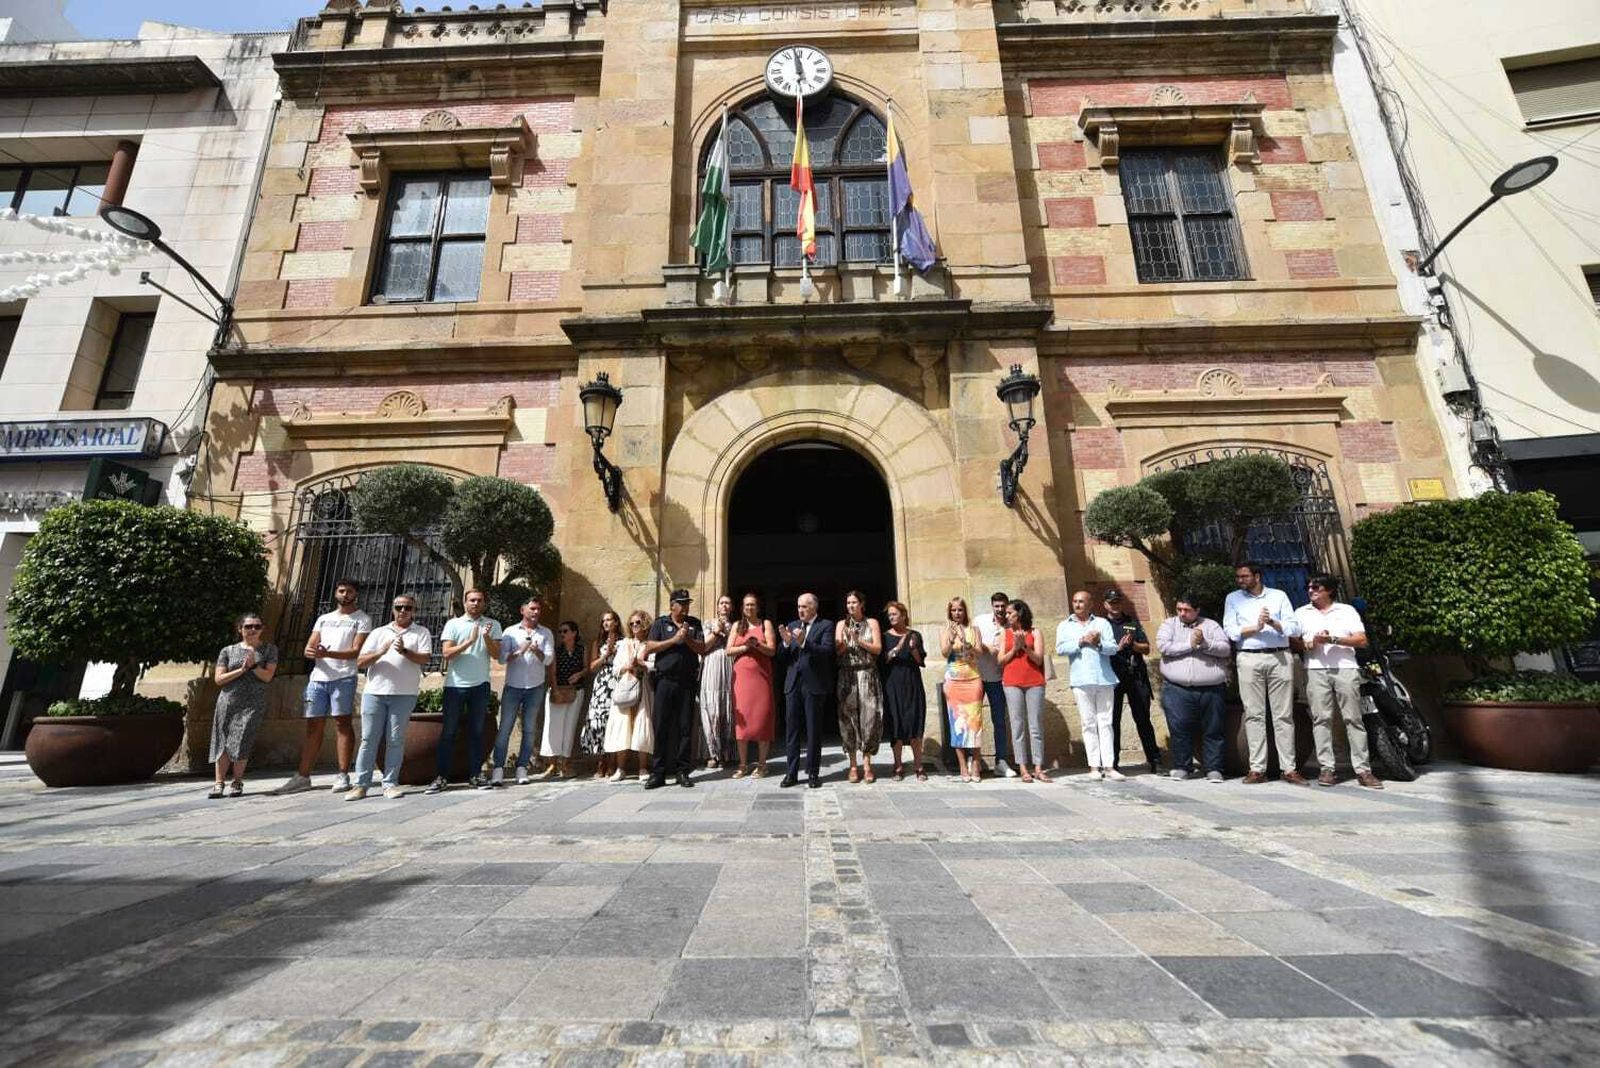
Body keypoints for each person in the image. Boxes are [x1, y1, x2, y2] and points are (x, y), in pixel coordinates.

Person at [278, 578, 369, 795]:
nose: (345, 595)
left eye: (349, 591)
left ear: (356, 594)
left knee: (342, 723)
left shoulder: (362, 619)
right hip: (318, 678)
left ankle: (343, 773)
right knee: (313, 726)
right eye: (341, 590)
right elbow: (310, 645)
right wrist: (311, 652)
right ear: (335, 593)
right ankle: (303, 775)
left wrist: (328, 654)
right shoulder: (324, 619)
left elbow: (356, 651)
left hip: (344, 677)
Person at [1294, 574, 1382, 790]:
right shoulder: (1301, 613)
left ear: (1330, 591)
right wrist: (1309, 643)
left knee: (1353, 717)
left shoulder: (1346, 611)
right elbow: (1294, 642)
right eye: (1309, 586)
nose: (1311, 590)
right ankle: (1327, 768)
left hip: (1345, 667)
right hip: (1315, 668)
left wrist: (1332, 639)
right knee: (1320, 718)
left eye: (1316, 586)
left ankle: (1363, 769)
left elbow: (1361, 640)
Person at [1224, 562, 1302, 785]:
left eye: (1244, 576)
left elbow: (1294, 628)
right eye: (1238, 576)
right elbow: (1230, 630)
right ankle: (1257, 768)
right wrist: (1256, 627)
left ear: (1257, 576)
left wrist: (1272, 623)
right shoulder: (1233, 598)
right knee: (1254, 714)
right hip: (1249, 657)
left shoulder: (1278, 596)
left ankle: (1289, 768)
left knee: (1283, 715)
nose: (1240, 580)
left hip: (1279, 656)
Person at [348, 594, 432, 800]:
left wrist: (404, 650)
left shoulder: (421, 632)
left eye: (408, 607)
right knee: (369, 739)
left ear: (414, 611)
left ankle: (390, 783)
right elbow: (361, 661)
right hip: (375, 692)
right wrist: (382, 651)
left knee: (395, 740)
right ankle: (361, 784)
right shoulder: (378, 632)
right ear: (393, 609)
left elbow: (425, 658)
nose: (403, 611)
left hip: (404, 694)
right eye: (399, 607)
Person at [427, 589, 503, 794]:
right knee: (449, 732)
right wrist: (469, 641)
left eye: (479, 600)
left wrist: (485, 638)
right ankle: (442, 776)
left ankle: (475, 775)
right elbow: (447, 654)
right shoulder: (453, 624)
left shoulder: (492, 625)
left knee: (477, 732)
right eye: (472, 600)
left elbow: (497, 655)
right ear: (465, 602)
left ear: (485, 603)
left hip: (480, 685)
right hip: (455, 685)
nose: (475, 604)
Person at [1155, 594, 1231, 782]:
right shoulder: (1169, 625)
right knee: (1179, 727)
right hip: (1177, 688)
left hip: (1211, 688)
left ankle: (1214, 768)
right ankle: (1182, 766)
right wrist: (1190, 644)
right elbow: (1164, 647)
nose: (1182, 613)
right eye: (1179, 609)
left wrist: (1205, 643)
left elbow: (1225, 649)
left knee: (1213, 729)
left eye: (1187, 610)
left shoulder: (1211, 625)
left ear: (1197, 610)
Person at [209, 614, 278, 798]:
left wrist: (254, 666)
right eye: (248, 626)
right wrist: (241, 670)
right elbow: (219, 679)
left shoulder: (269, 650)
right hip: (229, 700)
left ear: (262, 629)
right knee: (222, 739)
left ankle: (237, 781)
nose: (253, 630)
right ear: (240, 629)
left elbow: (268, 676)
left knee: (243, 738)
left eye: (257, 626)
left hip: (253, 702)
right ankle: (218, 783)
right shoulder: (228, 651)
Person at [643, 589, 707, 789]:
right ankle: (658, 773)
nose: (686, 606)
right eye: (681, 603)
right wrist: (674, 640)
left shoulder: (694, 624)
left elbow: (702, 648)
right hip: (665, 681)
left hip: (686, 682)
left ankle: (682, 771)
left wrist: (687, 638)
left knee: (685, 728)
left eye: (687, 603)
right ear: (672, 605)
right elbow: (649, 647)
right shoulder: (661, 623)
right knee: (660, 727)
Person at [1056, 590, 1121, 780]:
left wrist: (1099, 642)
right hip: (1081, 679)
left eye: (1081, 602)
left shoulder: (1102, 623)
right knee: (1088, 723)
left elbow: (1113, 648)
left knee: (1106, 722)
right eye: (1075, 601)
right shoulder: (1065, 625)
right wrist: (1081, 641)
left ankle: (1109, 766)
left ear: (1090, 604)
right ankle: (1094, 766)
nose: (1077, 605)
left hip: (1104, 678)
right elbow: (1060, 649)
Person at [492, 596, 554, 786]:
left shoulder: (545, 633)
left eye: (538, 609)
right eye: (532, 609)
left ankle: (522, 768)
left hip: (535, 687)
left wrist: (537, 651)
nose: (536, 612)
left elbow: (549, 660)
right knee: (505, 728)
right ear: (522, 610)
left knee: (529, 730)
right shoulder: (510, 631)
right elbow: (501, 659)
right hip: (513, 686)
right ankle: (498, 769)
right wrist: (520, 651)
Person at [1104, 589, 1161, 775]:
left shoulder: (1132, 622)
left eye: (1118, 602)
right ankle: (1113, 761)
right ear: (1105, 604)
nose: (1115, 606)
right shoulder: (1102, 624)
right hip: (1113, 676)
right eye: (1112, 603)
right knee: (1113, 720)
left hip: (1136, 674)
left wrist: (1133, 645)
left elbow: (1146, 648)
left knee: (1143, 718)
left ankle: (1154, 759)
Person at [781, 592, 835, 789]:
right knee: (792, 731)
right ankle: (791, 773)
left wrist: (805, 642)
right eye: (798, 607)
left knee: (813, 731)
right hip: (793, 683)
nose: (800, 610)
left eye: (804, 607)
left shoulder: (826, 625)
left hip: (814, 684)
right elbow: (782, 656)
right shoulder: (793, 625)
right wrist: (786, 642)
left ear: (814, 607)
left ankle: (813, 773)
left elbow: (827, 651)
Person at [835, 590, 885, 784]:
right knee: (848, 720)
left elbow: (878, 649)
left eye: (854, 602)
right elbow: (837, 652)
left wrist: (859, 641)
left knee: (869, 719)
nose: (851, 606)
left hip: (867, 674)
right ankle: (853, 765)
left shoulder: (871, 623)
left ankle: (867, 765)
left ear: (862, 604)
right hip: (847, 674)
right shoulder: (841, 624)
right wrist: (846, 643)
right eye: (848, 603)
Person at [998, 598, 1050, 783]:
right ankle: (1022, 767)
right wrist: (1015, 648)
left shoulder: (1035, 632)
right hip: (1012, 682)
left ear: (1019, 613)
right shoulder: (1005, 633)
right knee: (1017, 725)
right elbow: (1001, 661)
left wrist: (1025, 647)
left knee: (1035, 725)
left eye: (1010, 612)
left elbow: (1038, 659)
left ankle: (1038, 766)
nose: (1007, 615)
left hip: (1034, 681)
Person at [727, 593, 777, 778]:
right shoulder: (737, 626)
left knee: (762, 719)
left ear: (758, 607)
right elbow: (728, 650)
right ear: (742, 607)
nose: (750, 608)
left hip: (761, 678)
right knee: (743, 723)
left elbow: (772, 650)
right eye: (746, 605)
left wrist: (757, 645)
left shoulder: (765, 624)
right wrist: (746, 647)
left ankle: (762, 764)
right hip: (741, 679)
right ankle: (743, 765)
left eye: (753, 605)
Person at [603, 611, 655, 782]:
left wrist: (641, 664)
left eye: (638, 623)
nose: (634, 626)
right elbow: (615, 668)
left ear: (645, 623)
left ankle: (642, 768)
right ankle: (621, 768)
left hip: (643, 686)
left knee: (642, 725)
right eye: (632, 623)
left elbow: (654, 665)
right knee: (622, 726)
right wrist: (627, 666)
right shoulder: (625, 644)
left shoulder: (650, 644)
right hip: (625, 687)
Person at [942, 597, 988, 783]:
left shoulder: (974, 630)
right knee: (957, 725)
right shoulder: (945, 630)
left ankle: (975, 763)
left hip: (973, 679)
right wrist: (953, 637)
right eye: (954, 610)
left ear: (965, 611)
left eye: (960, 610)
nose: (957, 613)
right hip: (954, 681)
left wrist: (967, 644)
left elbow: (979, 653)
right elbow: (945, 652)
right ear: (950, 612)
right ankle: (962, 766)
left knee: (975, 724)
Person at [880, 601, 927, 782]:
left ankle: (918, 765)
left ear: (903, 615)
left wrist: (913, 648)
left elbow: (920, 661)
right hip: (893, 684)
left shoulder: (915, 635)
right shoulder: (885, 637)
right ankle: (898, 765)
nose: (891, 617)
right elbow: (883, 661)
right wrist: (896, 649)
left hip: (912, 683)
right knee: (896, 724)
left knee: (915, 723)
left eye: (894, 614)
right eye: (889, 615)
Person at [973, 591, 1018, 777]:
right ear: (992, 606)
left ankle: (1001, 761)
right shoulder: (979, 621)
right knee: (973, 720)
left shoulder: (1013, 623)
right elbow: (971, 642)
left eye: (1002, 606)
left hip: (999, 679)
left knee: (999, 721)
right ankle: (974, 760)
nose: (999, 610)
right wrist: (986, 647)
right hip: (976, 675)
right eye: (996, 606)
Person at [541, 620, 588, 779]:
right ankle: (552, 764)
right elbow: (551, 672)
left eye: (565, 631)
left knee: (570, 727)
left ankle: (565, 763)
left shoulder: (581, 649)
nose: (562, 634)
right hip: (558, 690)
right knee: (553, 727)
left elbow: (586, 668)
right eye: (560, 632)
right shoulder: (556, 651)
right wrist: (555, 690)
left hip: (576, 691)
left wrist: (579, 675)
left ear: (574, 633)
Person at [583, 610, 624, 778]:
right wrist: (605, 655)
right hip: (602, 682)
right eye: (603, 620)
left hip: (617, 680)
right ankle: (601, 759)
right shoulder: (597, 642)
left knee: (614, 721)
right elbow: (592, 667)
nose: (606, 623)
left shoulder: (624, 641)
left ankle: (613, 761)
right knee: (598, 722)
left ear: (616, 622)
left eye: (609, 620)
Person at [699, 595, 737, 770]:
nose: (724, 606)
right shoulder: (707, 624)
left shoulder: (737, 626)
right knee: (712, 709)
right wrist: (716, 631)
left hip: (729, 665)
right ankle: (712, 753)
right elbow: (704, 646)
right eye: (721, 603)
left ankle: (726, 754)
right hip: (712, 665)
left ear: (732, 607)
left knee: (727, 708)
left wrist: (728, 631)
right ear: (716, 607)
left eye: (727, 603)